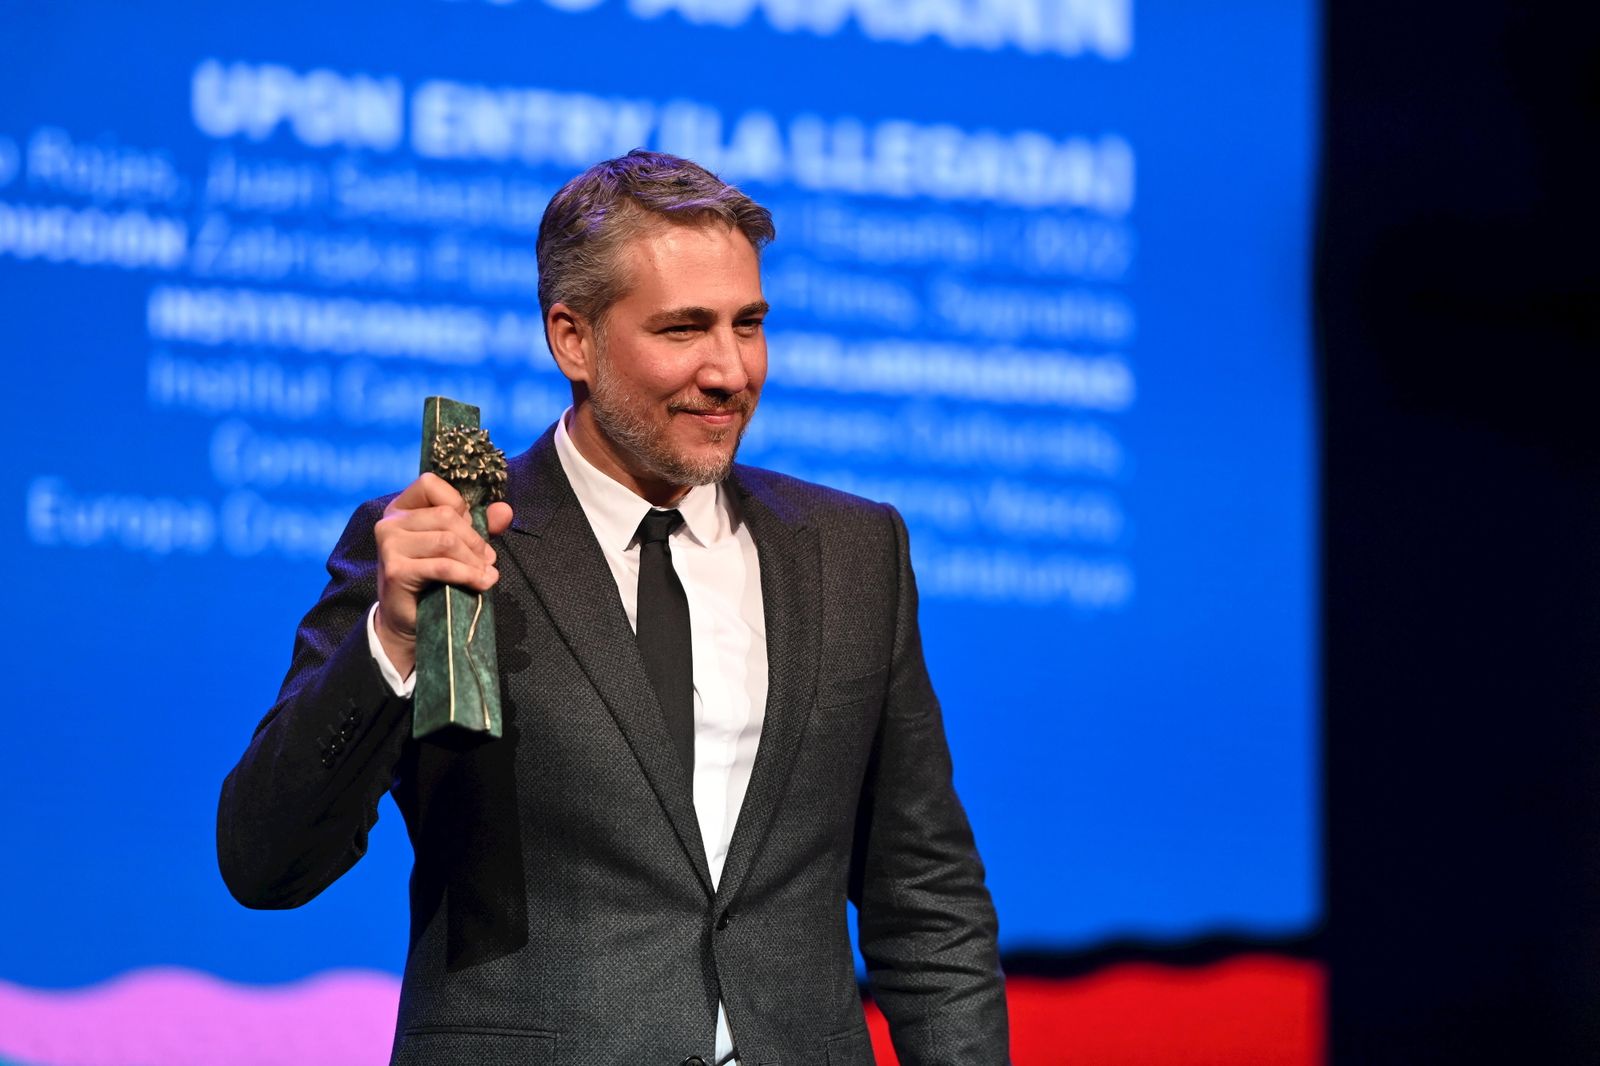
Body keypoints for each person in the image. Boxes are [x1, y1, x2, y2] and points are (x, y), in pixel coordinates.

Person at [218, 150, 1008, 1066]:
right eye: (683, 330)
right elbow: (266, 863)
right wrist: (390, 641)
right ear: (573, 339)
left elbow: (926, 896)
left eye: (747, 324)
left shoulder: (854, 550)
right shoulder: (443, 543)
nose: (729, 370)